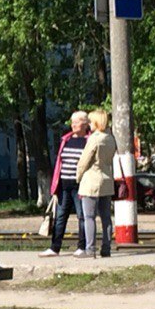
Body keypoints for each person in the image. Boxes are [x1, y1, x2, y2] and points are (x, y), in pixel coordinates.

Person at [40, 110, 91, 257]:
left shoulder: (88, 141)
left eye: (77, 122)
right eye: (72, 122)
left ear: (85, 124)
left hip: (80, 185)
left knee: (82, 216)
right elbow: (59, 163)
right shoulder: (66, 140)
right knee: (60, 216)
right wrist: (55, 185)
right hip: (63, 185)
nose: (73, 125)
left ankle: (82, 247)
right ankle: (55, 247)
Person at [76, 108, 117, 258]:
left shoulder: (94, 139)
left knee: (89, 216)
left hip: (92, 180)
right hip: (107, 180)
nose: (89, 125)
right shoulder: (111, 138)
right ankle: (106, 248)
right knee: (106, 217)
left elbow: (84, 161)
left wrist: (78, 176)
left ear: (96, 122)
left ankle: (90, 249)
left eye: (91, 122)